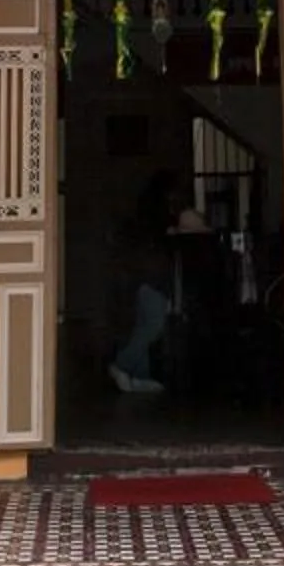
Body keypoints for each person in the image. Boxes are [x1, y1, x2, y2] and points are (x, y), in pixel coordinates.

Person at [109, 169, 180, 396]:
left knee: (143, 324)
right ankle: (122, 365)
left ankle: (139, 375)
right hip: (153, 275)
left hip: (140, 275)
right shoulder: (158, 216)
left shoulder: (143, 213)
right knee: (154, 324)